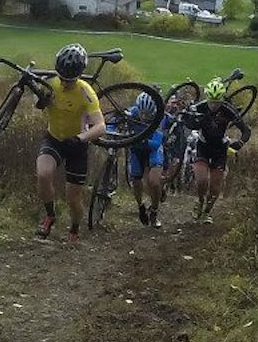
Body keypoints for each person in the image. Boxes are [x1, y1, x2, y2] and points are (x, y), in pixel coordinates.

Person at [34, 43, 107, 244]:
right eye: (62, 78)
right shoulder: (51, 83)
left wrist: (80, 138)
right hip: (54, 138)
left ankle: (74, 228)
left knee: (73, 197)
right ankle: (50, 215)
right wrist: (40, 100)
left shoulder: (86, 92)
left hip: (77, 145)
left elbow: (101, 127)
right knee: (43, 174)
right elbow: (38, 100)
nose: (65, 83)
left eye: (70, 80)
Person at [180, 77, 251, 223]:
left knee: (215, 187)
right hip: (203, 147)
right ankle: (199, 202)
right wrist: (190, 118)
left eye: (217, 102)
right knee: (202, 180)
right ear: (207, 97)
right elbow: (187, 122)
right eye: (211, 101)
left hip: (220, 150)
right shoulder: (200, 107)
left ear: (221, 99)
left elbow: (246, 130)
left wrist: (241, 143)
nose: (213, 105)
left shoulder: (227, 110)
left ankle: (207, 212)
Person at [125, 91, 164, 228]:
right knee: (136, 182)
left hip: (152, 150)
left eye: (148, 115)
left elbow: (156, 143)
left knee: (153, 182)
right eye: (142, 113)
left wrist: (141, 140)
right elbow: (115, 121)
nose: (144, 117)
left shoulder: (160, 117)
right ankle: (140, 206)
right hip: (136, 151)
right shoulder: (132, 112)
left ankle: (154, 210)